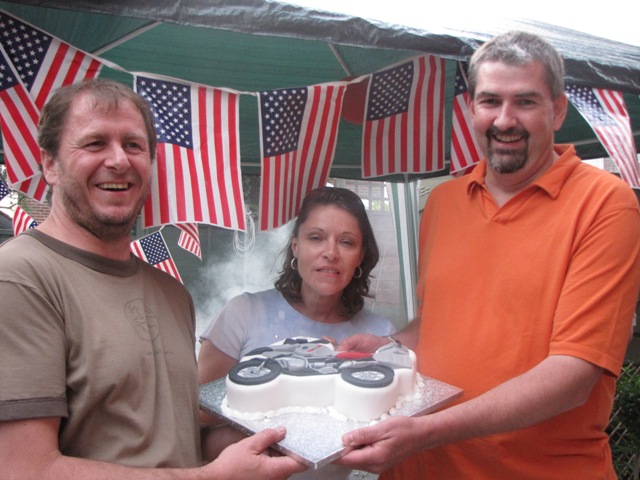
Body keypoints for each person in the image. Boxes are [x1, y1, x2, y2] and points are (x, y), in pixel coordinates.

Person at [334, 31, 640, 480]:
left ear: (557, 110)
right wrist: (391, 345)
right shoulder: (444, 201)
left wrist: (428, 430)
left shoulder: (605, 203)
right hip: (420, 469)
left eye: (526, 102)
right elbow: (442, 318)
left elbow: (574, 374)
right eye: (490, 101)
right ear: (471, 110)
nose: (504, 120)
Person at [0, 79, 305, 480]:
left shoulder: (173, 294)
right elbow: (25, 469)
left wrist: (276, 436)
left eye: (133, 145)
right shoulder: (21, 278)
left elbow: (174, 445)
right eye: (94, 143)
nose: (119, 160)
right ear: (50, 164)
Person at [198, 186, 396, 479]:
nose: (330, 252)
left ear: (361, 256)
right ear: (295, 246)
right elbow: (193, 420)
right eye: (316, 238)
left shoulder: (380, 334)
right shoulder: (244, 313)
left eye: (347, 242)